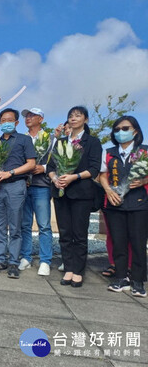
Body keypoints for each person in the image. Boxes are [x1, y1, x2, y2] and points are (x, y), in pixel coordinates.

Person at [48, 106, 102, 288]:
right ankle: (68, 268)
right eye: (70, 116)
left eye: (77, 115)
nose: (73, 118)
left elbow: (94, 169)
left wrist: (73, 176)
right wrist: (56, 179)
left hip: (81, 193)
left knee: (79, 234)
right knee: (65, 233)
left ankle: (78, 271)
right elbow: (50, 167)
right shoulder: (61, 141)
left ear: (85, 119)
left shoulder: (92, 142)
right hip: (61, 193)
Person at [0, 108, 36, 279]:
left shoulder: (24, 140)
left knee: (15, 226)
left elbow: (31, 164)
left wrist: (11, 173)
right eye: (3, 120)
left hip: (15, 186)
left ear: (16, 123)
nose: (6, 123)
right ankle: (0, 260)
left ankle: (14, 262)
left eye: (10, 120)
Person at [99, 116, 147, 297]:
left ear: (135, 130)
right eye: (117, 129)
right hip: (115, 203)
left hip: (138, 203)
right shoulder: (109, 152)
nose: (121, 132)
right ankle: (121, 277)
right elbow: (103, 175)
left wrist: (143, 180)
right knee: (118, 242)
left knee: (138, 243)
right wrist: (108, 190)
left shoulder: (144, 151)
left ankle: (138, 280)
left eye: (125, 128)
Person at [19, 108, 54, 276]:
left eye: (32, 116)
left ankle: (45, 260)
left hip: (42, 186)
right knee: (25, 224)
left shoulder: (50, 139)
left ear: (40, 118)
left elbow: (58, 161)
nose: (28, 118)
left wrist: (44, 168)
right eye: (26, 116)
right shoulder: (22, 139)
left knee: (44, 225)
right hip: (24, 186)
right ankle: (25, 257)